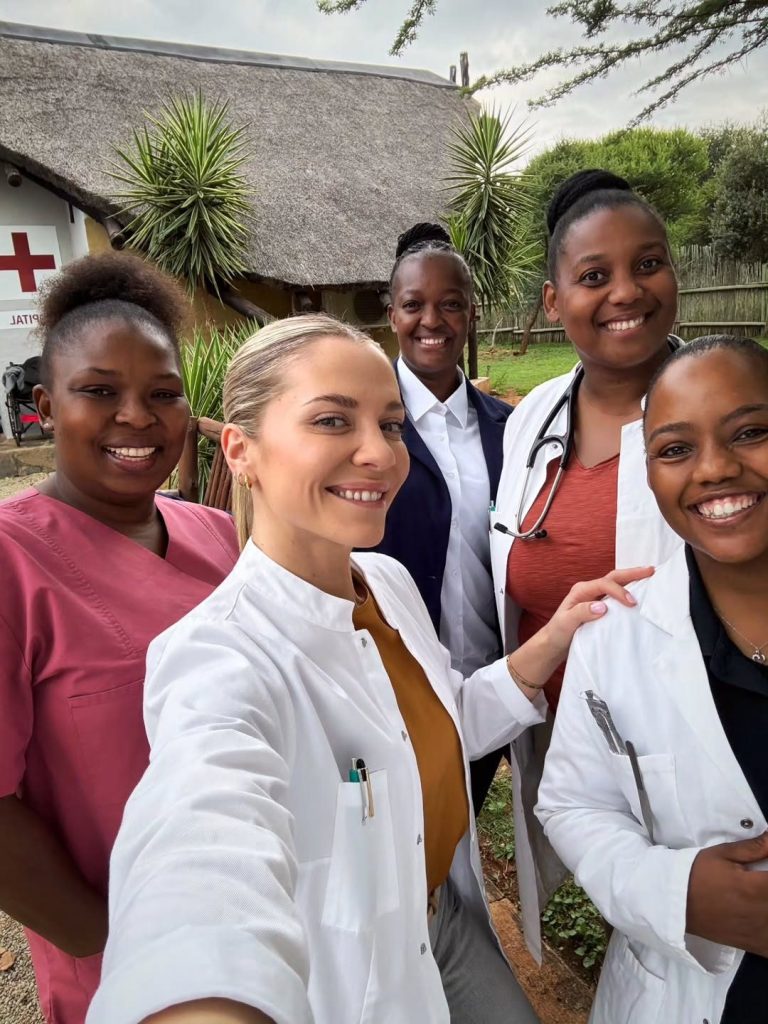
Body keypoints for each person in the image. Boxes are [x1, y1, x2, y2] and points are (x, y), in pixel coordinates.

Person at [88, 314, 648, 1024]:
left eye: (390, 425)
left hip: (443, 920)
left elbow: (434, 723)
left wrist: (556, 634)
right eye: (332, 420)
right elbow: (198, 856)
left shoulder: (386, 583)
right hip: (355, 981)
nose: (380, 454)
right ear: (240, 450)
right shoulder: (217, 657)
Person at [0, 252, 239, 1024]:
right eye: (100, 391)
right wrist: (104, 938)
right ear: (45, 404)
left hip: (255, 915)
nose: (137, 417)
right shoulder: (12, 563)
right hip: (125, 960)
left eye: (163, 394)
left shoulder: (222, 537)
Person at [536, 335, 768, 1024]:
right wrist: (676, 892)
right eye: (675, 449)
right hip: (685, 990)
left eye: (750, 432)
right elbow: (573, 804)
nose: (715, 469)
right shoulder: (614, 636)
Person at [488, 169, 684, 958]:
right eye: (595, 276)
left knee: (691, 930)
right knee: (618, 905)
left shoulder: (726, 406)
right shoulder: (531, 418)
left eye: (648, 264)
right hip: (566, 739)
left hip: (688, 738)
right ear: (552, 299)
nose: (626, 292)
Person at [374, 222, 512, 811]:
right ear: (392, 315)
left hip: (488, 685)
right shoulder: (364, 429)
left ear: (472, 314)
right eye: (413, 305)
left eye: (450, 304)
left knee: (465, 823)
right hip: (392, 691)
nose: (432, 320)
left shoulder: (509, 431)